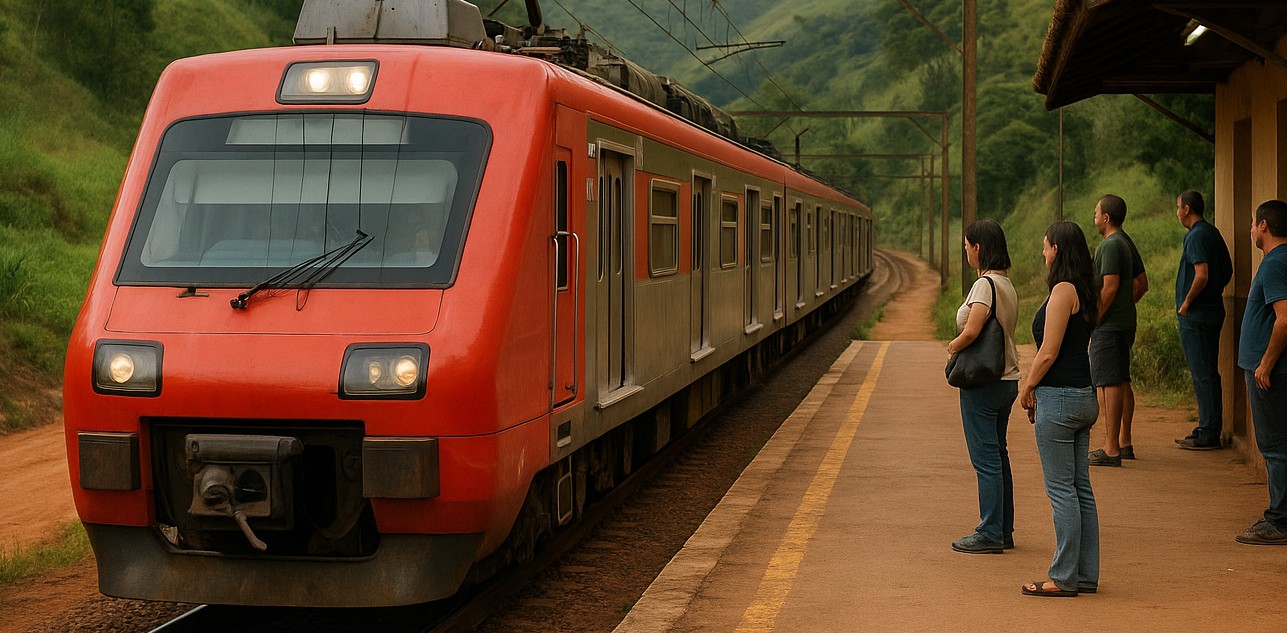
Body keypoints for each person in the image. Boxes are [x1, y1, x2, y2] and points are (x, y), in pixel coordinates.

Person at [1019, 220, 1100, 596]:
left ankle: (1064, 578)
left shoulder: (1063, 289)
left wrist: (1028, 384)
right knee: (1080, 488)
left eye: (1046, 246)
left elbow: (1048, 351)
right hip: (1084, 395)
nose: (1043, 252)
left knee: (1061, 491)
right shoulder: (1086, 288)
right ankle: (1084, 574)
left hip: (1060, 397)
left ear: (1058, 250)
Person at [946, 219, 1020, 554]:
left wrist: (953, 345)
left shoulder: (984, 285)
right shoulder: (1006, 284)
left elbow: (974, 330)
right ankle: (1003, 529)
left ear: (979, 248)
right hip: (1007, 380)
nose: (966, 251)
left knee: (985, 458)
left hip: (984, 381)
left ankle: (989, 532)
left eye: (967, 246)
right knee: (998, 455)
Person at [1235, 200, 1287, 545]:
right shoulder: (1277, 261)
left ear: (1264, 226)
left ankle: (1279, 520)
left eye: (1254, 224)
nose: (1251, 229)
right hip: (1268, 367)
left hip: (1271, 371)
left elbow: (1285, 318)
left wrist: (1265, 362)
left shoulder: (1275, 263)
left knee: (1275, 445)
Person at [1088, 194, 1146, 466]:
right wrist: (1125, 304)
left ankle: (1110, 448)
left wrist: (1096, 319)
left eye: (1096, 213)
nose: (1094, 218)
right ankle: (1124, 442)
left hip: (1110, 325)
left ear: (1106, 218)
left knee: (1109, 381)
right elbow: (1141, 283)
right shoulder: (1126, 242)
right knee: (1121, 379)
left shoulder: (1110, 245)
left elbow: (1109, 286)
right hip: (1124, 321)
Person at [1174, 190, 1233, 450]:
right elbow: (1227, 270)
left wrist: (1187, 303)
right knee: (1208, 372)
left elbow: (1202, 273)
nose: (1177, 212)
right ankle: (1207, 426)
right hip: (1212, 311)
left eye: (1178, 207)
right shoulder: (1212, 232)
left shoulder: (1196, 236)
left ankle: (1208, 432)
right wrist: (1213, 294)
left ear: (1187, 209)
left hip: (1196, 316)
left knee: (1202, 374)